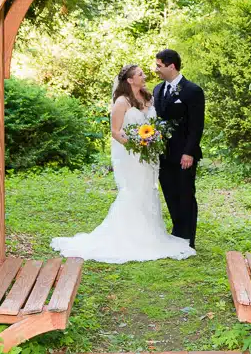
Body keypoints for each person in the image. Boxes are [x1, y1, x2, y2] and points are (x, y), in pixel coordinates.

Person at [50, 64, 196, 263]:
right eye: (140, 74)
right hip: (132, 155)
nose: (145, 76)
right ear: (129, 80)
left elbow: (155, 124)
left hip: (149, 155)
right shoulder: (121, 102)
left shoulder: (148, 97)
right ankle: (128, 236)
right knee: (133, 190)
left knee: (148, 190)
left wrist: (152, 141)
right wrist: (137, 144)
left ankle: (150, 235)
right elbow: (115, 131)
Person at [153, 49, 205, 249]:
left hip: (184, 154)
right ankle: (177, 235)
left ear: (171, 66)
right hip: (162, 154)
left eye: (159, 66)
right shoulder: (157, 90)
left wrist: (189, 152)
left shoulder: (192, 91)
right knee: (170, 193)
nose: (156, 69)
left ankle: (187, 239)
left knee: (185, 195)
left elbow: (196, 125)